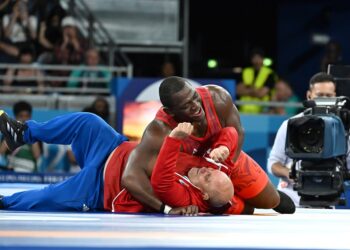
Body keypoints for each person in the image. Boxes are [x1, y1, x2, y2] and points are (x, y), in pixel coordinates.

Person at [0, 111, 231, 215]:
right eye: (212, 170)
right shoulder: (205, 166)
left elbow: (134, 180)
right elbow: (230, 130)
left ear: (204, 195)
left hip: (100, 188)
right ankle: (23, 133)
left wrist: (167, 209)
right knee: (88, 121)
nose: (206, 169)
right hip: (112, 147)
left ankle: (4, 203)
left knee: (49, 197)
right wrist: (224, 148)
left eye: (208, 177)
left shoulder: (185, 198)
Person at [122, 76, 295, 215]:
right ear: (171, 112)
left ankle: (240, 198)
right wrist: (165, 209)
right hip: (197, 178)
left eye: (195, 97)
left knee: (271, 201)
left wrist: (223, 172)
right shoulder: (159, 130)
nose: (196, 106)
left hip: (223, 158)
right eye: (187, 106)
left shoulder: (217, 98)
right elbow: (130, 177)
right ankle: (240, 206)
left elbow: (238, 132)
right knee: (226, 205)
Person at [267, 72, 341, 205]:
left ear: (335, 97)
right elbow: (273, 164)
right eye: (319, 95)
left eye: (328, 96)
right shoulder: (290, 124)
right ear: (309, 95)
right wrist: (290, 173)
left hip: (327, 199)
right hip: (291, 198)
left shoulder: (342, 129)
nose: (324, 100)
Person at [0, 101, 41, 172]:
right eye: (21, 116)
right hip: (11, 172)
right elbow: (1, 152)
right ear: (15, 117)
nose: (24, 119)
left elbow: (37, 155)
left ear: (30, 117)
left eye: (27, 116)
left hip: (30, 172)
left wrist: (31, 133)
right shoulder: (8, 131)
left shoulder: (36, 133)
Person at [236, 48, 277, 114]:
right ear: (251, 59)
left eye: (259, 58)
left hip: (262, 111)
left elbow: (261, 94)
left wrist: (247, 88)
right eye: (254, 58)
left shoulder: (269, 73)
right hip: (243, 110)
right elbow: (238, 91)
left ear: (263, 59)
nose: (256, 60)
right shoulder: (245, 71)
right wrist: (256, 90)